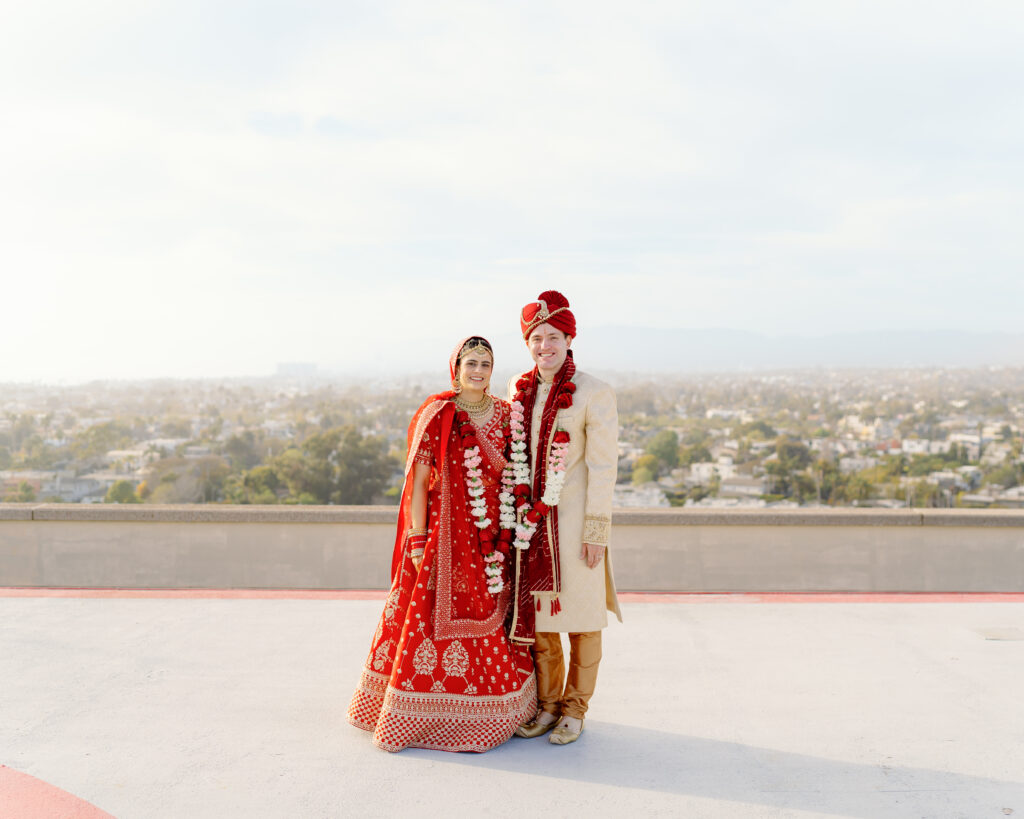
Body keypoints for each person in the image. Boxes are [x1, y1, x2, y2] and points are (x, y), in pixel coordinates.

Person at [348, 336, 537, 752]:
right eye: (471, 362)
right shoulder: (438, 414)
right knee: (427, 616)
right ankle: (416, 717)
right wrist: (416, 539)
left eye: (486, 364)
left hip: (493, 538)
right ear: (456, 366)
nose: (478, 371)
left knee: (490, 610)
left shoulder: (507, 415)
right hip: (444, 536)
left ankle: (492, 712)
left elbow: (516, 475)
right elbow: (418, 482)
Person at [507, 291, 621, 746]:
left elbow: (603, 467)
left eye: (552, 337)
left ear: (569, 339)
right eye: (536, 338)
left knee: (584, 618)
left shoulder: (594, 392)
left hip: (573, 526)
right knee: (543, 623)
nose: (544, 346)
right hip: (531, 529)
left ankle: (576, 708)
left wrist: (596, 532)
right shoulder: (518, 388)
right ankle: (549, 705)